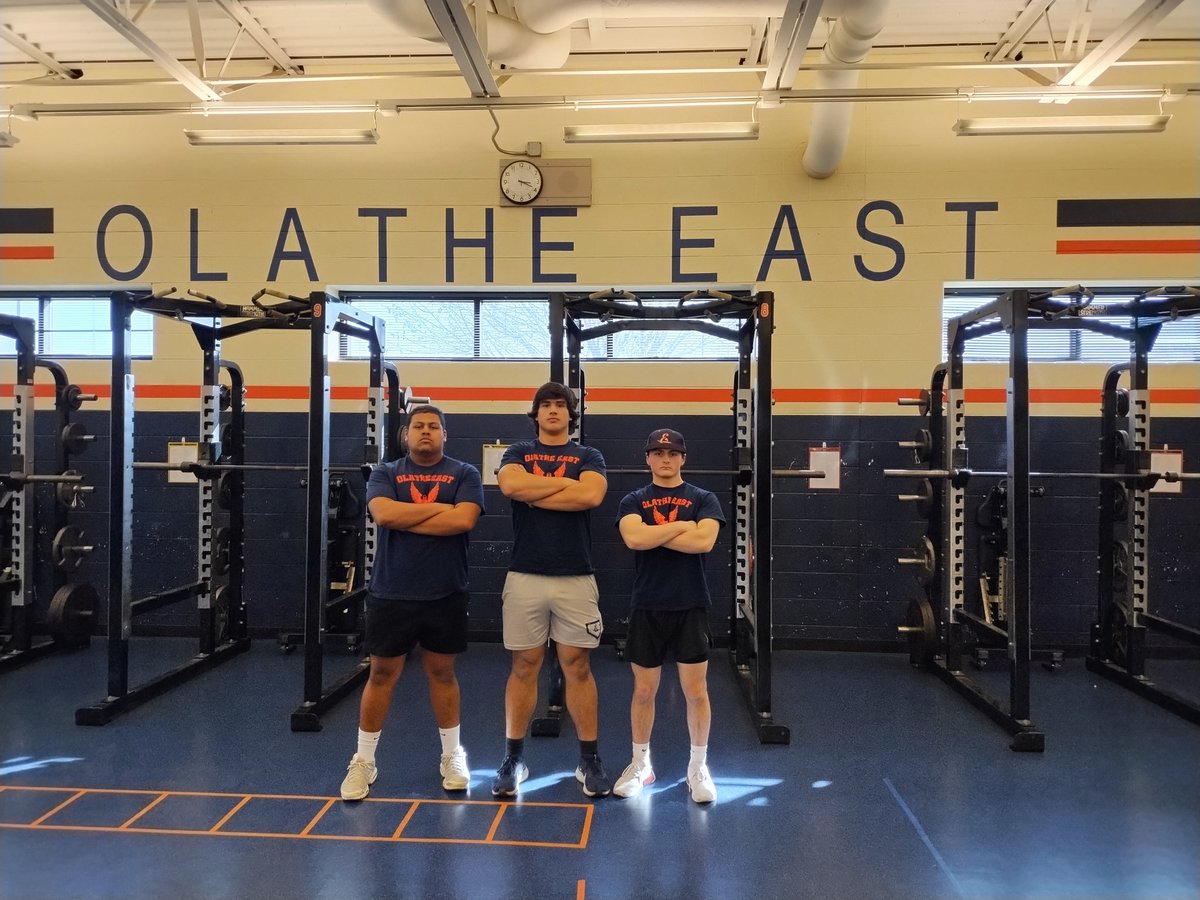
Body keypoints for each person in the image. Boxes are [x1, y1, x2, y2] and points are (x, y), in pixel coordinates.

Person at [339, 405, 485, 801]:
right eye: (418, 426)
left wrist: (413, 515)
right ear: (406, 434)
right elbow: (384, 515)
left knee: (442, 674)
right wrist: (442, 509)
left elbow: (463, 521)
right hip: (392, 591)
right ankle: (364, 761)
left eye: (433, 427)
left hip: (446, 592)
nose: (426, 432)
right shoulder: (386, 473)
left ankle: (452, 756)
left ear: (444, 434)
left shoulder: (465, 473)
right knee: (382, 675)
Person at [492, 382, 611, 798]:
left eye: (561, 405)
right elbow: (510, 487)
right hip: (525, 574)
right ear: (536, 413)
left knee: (577, 666)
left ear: (571, 414)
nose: (554, 411)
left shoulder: (588, 455)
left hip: (575, 576)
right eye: (546, 405)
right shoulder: (517, 453)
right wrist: (566, 489)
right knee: (523, 666)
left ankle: (589, 759)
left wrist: (535, 492)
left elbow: (592, 494)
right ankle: (513, 758)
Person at [612, 428, 725, 804]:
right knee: (644, 690)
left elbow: (704, 542)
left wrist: (654, 532)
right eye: (658, 453)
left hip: (690, 606)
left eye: (673, 453)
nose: (665, 459)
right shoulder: (633, 499)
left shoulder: (704, 498)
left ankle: (697, 767)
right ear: (647, 458)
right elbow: (633, 540)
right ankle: (641, 764)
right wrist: (681, 527)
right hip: (647, 605)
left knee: (697, 692)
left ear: (683, 458)